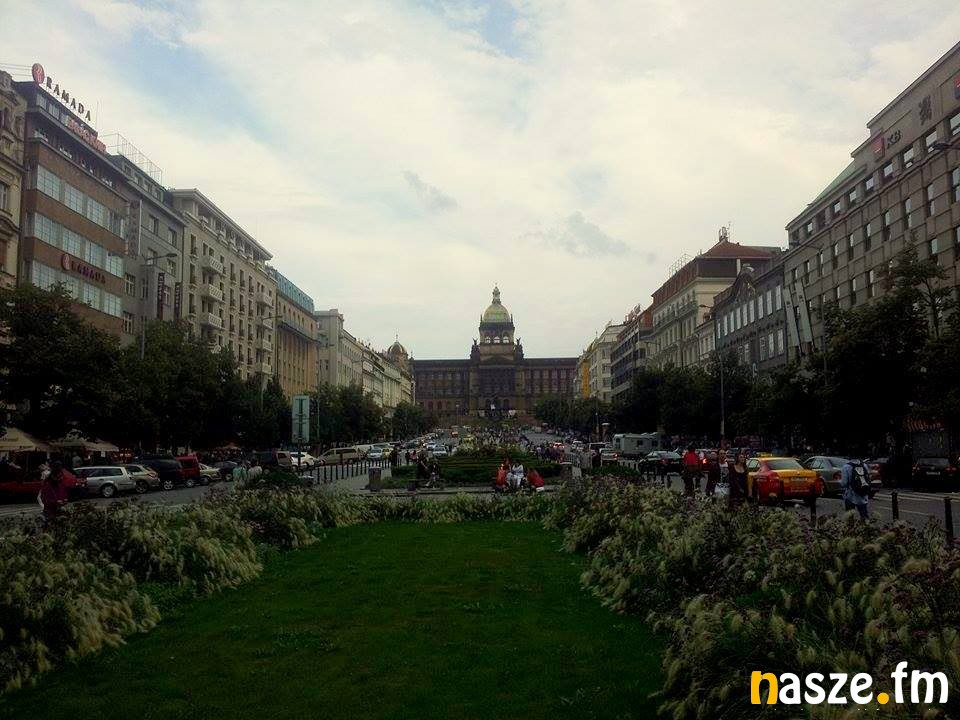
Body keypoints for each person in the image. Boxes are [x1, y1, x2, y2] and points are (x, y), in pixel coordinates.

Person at [39, 461, 68, 525]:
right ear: (53, 476)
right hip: (50, 511)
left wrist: (65, 499)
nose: (60, 478)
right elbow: (44, 499)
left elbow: (64, 494)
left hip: (59, 510)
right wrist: (55, 502)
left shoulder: (61, 484)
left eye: (61, 476)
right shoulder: (47, 485)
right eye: (58, 477)